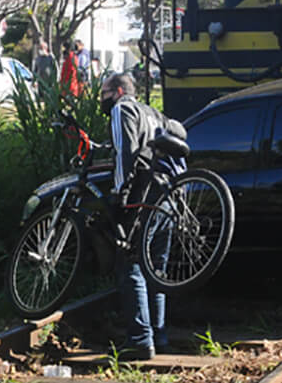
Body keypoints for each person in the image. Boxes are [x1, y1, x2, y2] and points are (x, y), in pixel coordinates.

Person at [101, 72, 186, 360]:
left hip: (143, 197)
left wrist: (119, 192)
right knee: (156, 271)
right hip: (167, 198)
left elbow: (125, 152)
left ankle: (139, 341)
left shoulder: (122, 109)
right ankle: (159, 338)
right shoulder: (154, 114)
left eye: (104, 93)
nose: (102, 99)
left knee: (131, 265)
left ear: (119, 91)